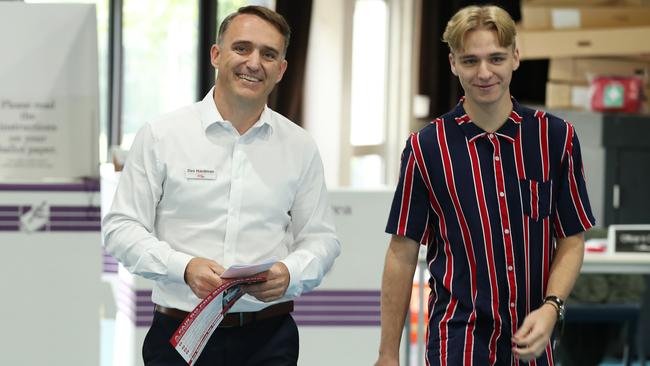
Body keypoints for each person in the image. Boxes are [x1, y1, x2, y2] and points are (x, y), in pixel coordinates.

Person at [103, 6, 340, 366]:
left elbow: (322, 239)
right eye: (242, 48)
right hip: (179, 336)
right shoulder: (162, 135)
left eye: (268, 54)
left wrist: (290, 273)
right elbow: (121, 229)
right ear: (216, 54)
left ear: (281, 69)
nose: (254, 62)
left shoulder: (299, 146)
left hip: (269, 339)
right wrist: (182, 267)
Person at [375, 5, 595, 366]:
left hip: (532, 342)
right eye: (470, 60)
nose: (484, 72)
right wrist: (387, 354)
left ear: (515, 57)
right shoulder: (426, 148)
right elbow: (401, 252)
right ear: (452, 63)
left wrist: (552, 308)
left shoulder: (556, 138)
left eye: (496, 58)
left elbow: (571, 239)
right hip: (457, 342)